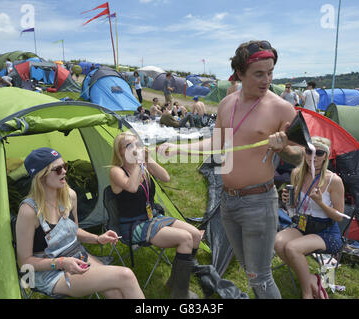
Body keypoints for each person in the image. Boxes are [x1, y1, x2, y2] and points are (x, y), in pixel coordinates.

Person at [158, 40, 297, 299]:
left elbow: (301, 155)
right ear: (240, 73)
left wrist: (284, 149)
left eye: (270, 72)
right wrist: (179, 148)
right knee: (249, 270)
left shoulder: (281, 107)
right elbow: (218, 143)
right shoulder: (227, 104)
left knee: (261, 278)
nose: (267, 80)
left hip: (259, 202)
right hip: (228, 201)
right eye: (259, 74)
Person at [15, 147, 144, 299]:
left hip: (77, 257)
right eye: (57, 169)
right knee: (125, 275)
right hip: (48, 273)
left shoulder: (69, 195)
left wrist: (97, 238)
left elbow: (73, 230)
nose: (64, 172)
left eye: (65, 166)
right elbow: (24, 262)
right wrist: (61, 262)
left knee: (116, 292)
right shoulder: (29, 211)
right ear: (41, 176)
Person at [109, 131, 202, 298]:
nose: (135, 148)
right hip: (134, 225)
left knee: (195, 235)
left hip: (152, 217)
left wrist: (148, 160)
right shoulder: (116, 171)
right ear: (120, 151)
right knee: (185, 238)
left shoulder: (143, 166)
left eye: (137, 143)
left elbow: (165, 177)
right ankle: (180, 293)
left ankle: (174, 282)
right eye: (129, 145)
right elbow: (132, 188)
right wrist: (138, 163)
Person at [274, 136, 345, 299]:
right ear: (304, 152)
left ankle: (307, 292)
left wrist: (320, 203)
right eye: (309, 151)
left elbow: (339, 217)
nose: (313, 157)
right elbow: (294, 210)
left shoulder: (334, 181)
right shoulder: (297, 173)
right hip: (303, 225)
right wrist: (288, 202)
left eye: (319, 153)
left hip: (326, 231)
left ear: (326, 156)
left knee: (292, 248)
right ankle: (312, 279)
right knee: (278, 242)